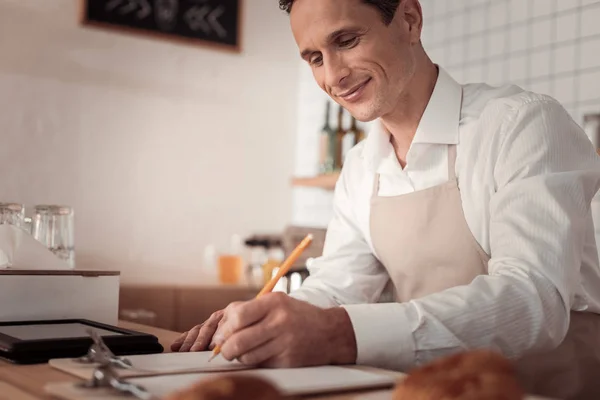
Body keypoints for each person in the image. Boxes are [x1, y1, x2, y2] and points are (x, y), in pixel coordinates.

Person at [172, 0, 600, 398]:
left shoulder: (522, 125)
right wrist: (263, 322)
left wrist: (339, 333)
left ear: (410, 20)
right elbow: (338, 288)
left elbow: (532, 299)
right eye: (315, 58)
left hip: (547, 389)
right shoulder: (360, 167)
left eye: (346, 40)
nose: (333, 76)